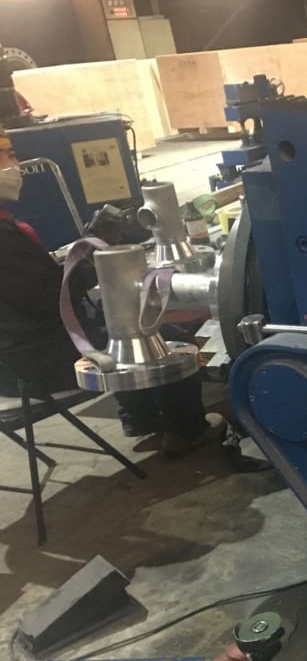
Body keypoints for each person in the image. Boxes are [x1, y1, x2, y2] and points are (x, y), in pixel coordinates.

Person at [0, 125, 224, 456]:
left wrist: (84, 248)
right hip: (38, 363)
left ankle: (143, 420)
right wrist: (94, 247)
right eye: (4, 155)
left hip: (16, 354)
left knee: (116, 320)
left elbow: (30, 286)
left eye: (13, 154)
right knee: (168, 341)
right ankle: (189, 430)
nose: (15, 166)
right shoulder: (4, 237)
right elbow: (55, 298)